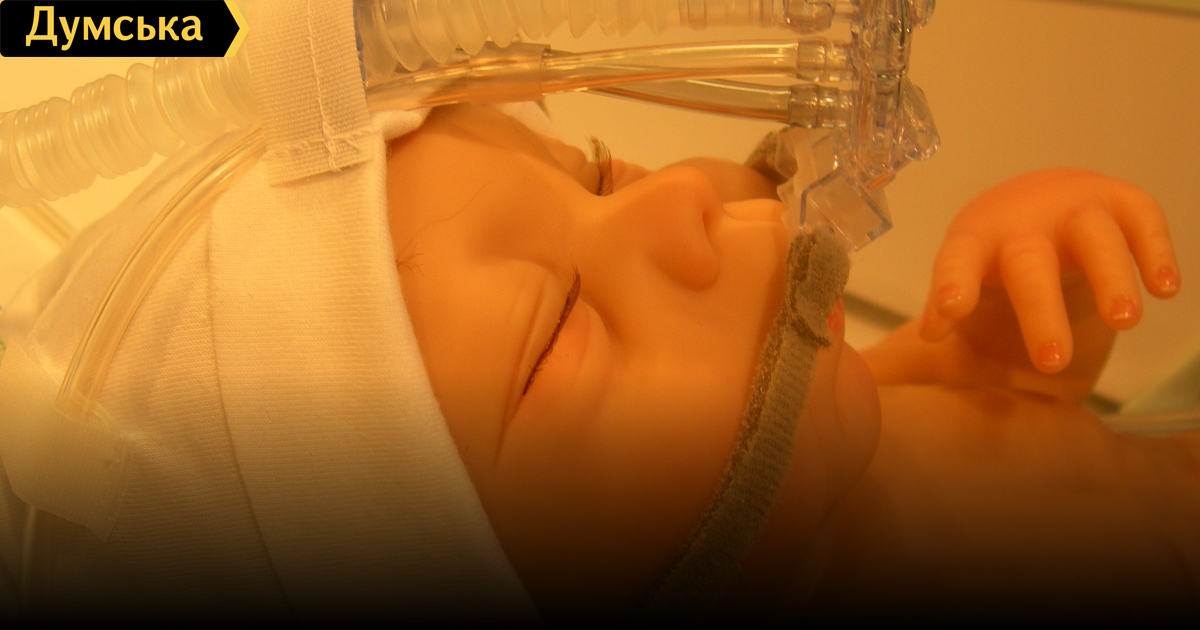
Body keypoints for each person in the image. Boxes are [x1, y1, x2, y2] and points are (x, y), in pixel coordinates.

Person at [386, 104, 1199, 617]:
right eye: (558, 326)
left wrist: (1038, 273)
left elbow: (1010, 387)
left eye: (600, 176)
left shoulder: (859, 415)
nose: (680, 193)